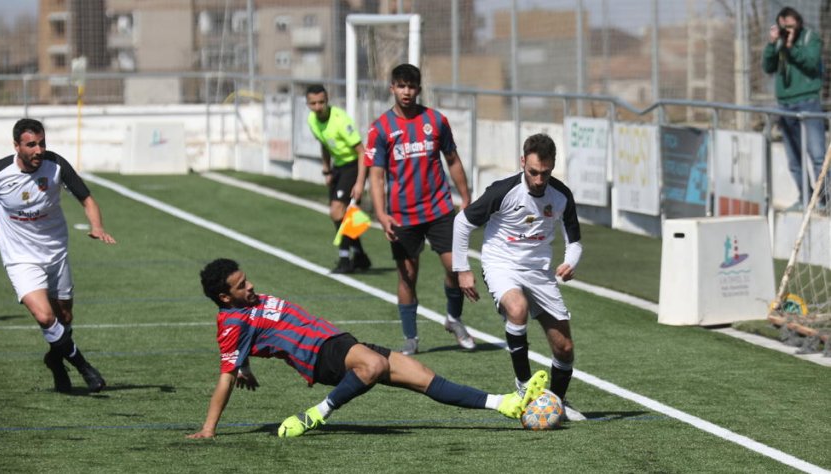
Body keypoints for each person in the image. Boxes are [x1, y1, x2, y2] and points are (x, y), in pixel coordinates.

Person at [187, 258, 548, 439]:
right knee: (372, 366)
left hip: (339, 341)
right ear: (224, 297)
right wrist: (209, 429)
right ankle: (317, 414)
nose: (250, 286)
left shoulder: (243, 311)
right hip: (320, 355)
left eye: (246, 279)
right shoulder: (231, 322)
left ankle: (504, 404)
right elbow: (225, 371)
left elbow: (243, 351)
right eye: (240, 286)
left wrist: (246, 366)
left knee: (423, 377)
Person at [451, 133, 586, 422]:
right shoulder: (503, 191)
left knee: (564, 347)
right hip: (501, 264)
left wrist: (570, 262)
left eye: (546, 173)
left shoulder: (561, 195)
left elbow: (574, 242)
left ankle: (556, 403)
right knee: (517, 308)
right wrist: (462, 270)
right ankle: (523, 385)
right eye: (533, 172)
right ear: (523, 162)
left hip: (538, 271)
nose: (539, 180)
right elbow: (462, 222)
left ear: (553, 166)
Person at [0, 118, 115, 393]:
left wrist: (97, 226)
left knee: (64, 317)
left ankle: (55, 360)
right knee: (45, 317)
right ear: (16, 146)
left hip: (56, 252)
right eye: (31, 145)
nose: (39, 150)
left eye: (42, 143)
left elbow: (87, 199)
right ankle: (84, 367)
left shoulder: (56, 164)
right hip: (20, 257)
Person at [365, 63, 474, 355]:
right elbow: (375, 176)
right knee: (407, 276)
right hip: (402, 216)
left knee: (455, 266)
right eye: (401, 86)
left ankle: (453, 318)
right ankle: (411, 338)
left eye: (411, 87)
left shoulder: (436, 120)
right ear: (392, 88)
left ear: (419, 89)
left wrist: (466, 196)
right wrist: (380, 212)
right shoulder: (380, 128)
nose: (406, 92)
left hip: (439, 209)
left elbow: (452, 159)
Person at [761, 6, 827, 211]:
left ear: (798, 22)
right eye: (783, 26)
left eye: (790, 25)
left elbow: (810, 63)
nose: (787, 29)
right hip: (785, 104)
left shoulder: (810, 38)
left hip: (808, 102)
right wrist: (773, 45)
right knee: (794, 157)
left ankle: (827, 198)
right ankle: (805, 197)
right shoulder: (778, 42)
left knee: (817, 155)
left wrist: (790, 47)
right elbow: (767, 67)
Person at [305, 84, 372, 274]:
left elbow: (362, 152)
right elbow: (324, 145)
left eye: (321, 102)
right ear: (308, 104)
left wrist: (360, 183)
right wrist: (327, 170)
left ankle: (345, 259)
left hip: (353, 165)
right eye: (313, 103)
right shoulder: (312, 120)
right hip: (338, 168)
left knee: (336, 212)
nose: (318, 107)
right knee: (342, 214)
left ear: (327, 101)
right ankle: (360, 255)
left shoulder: (340, 120)